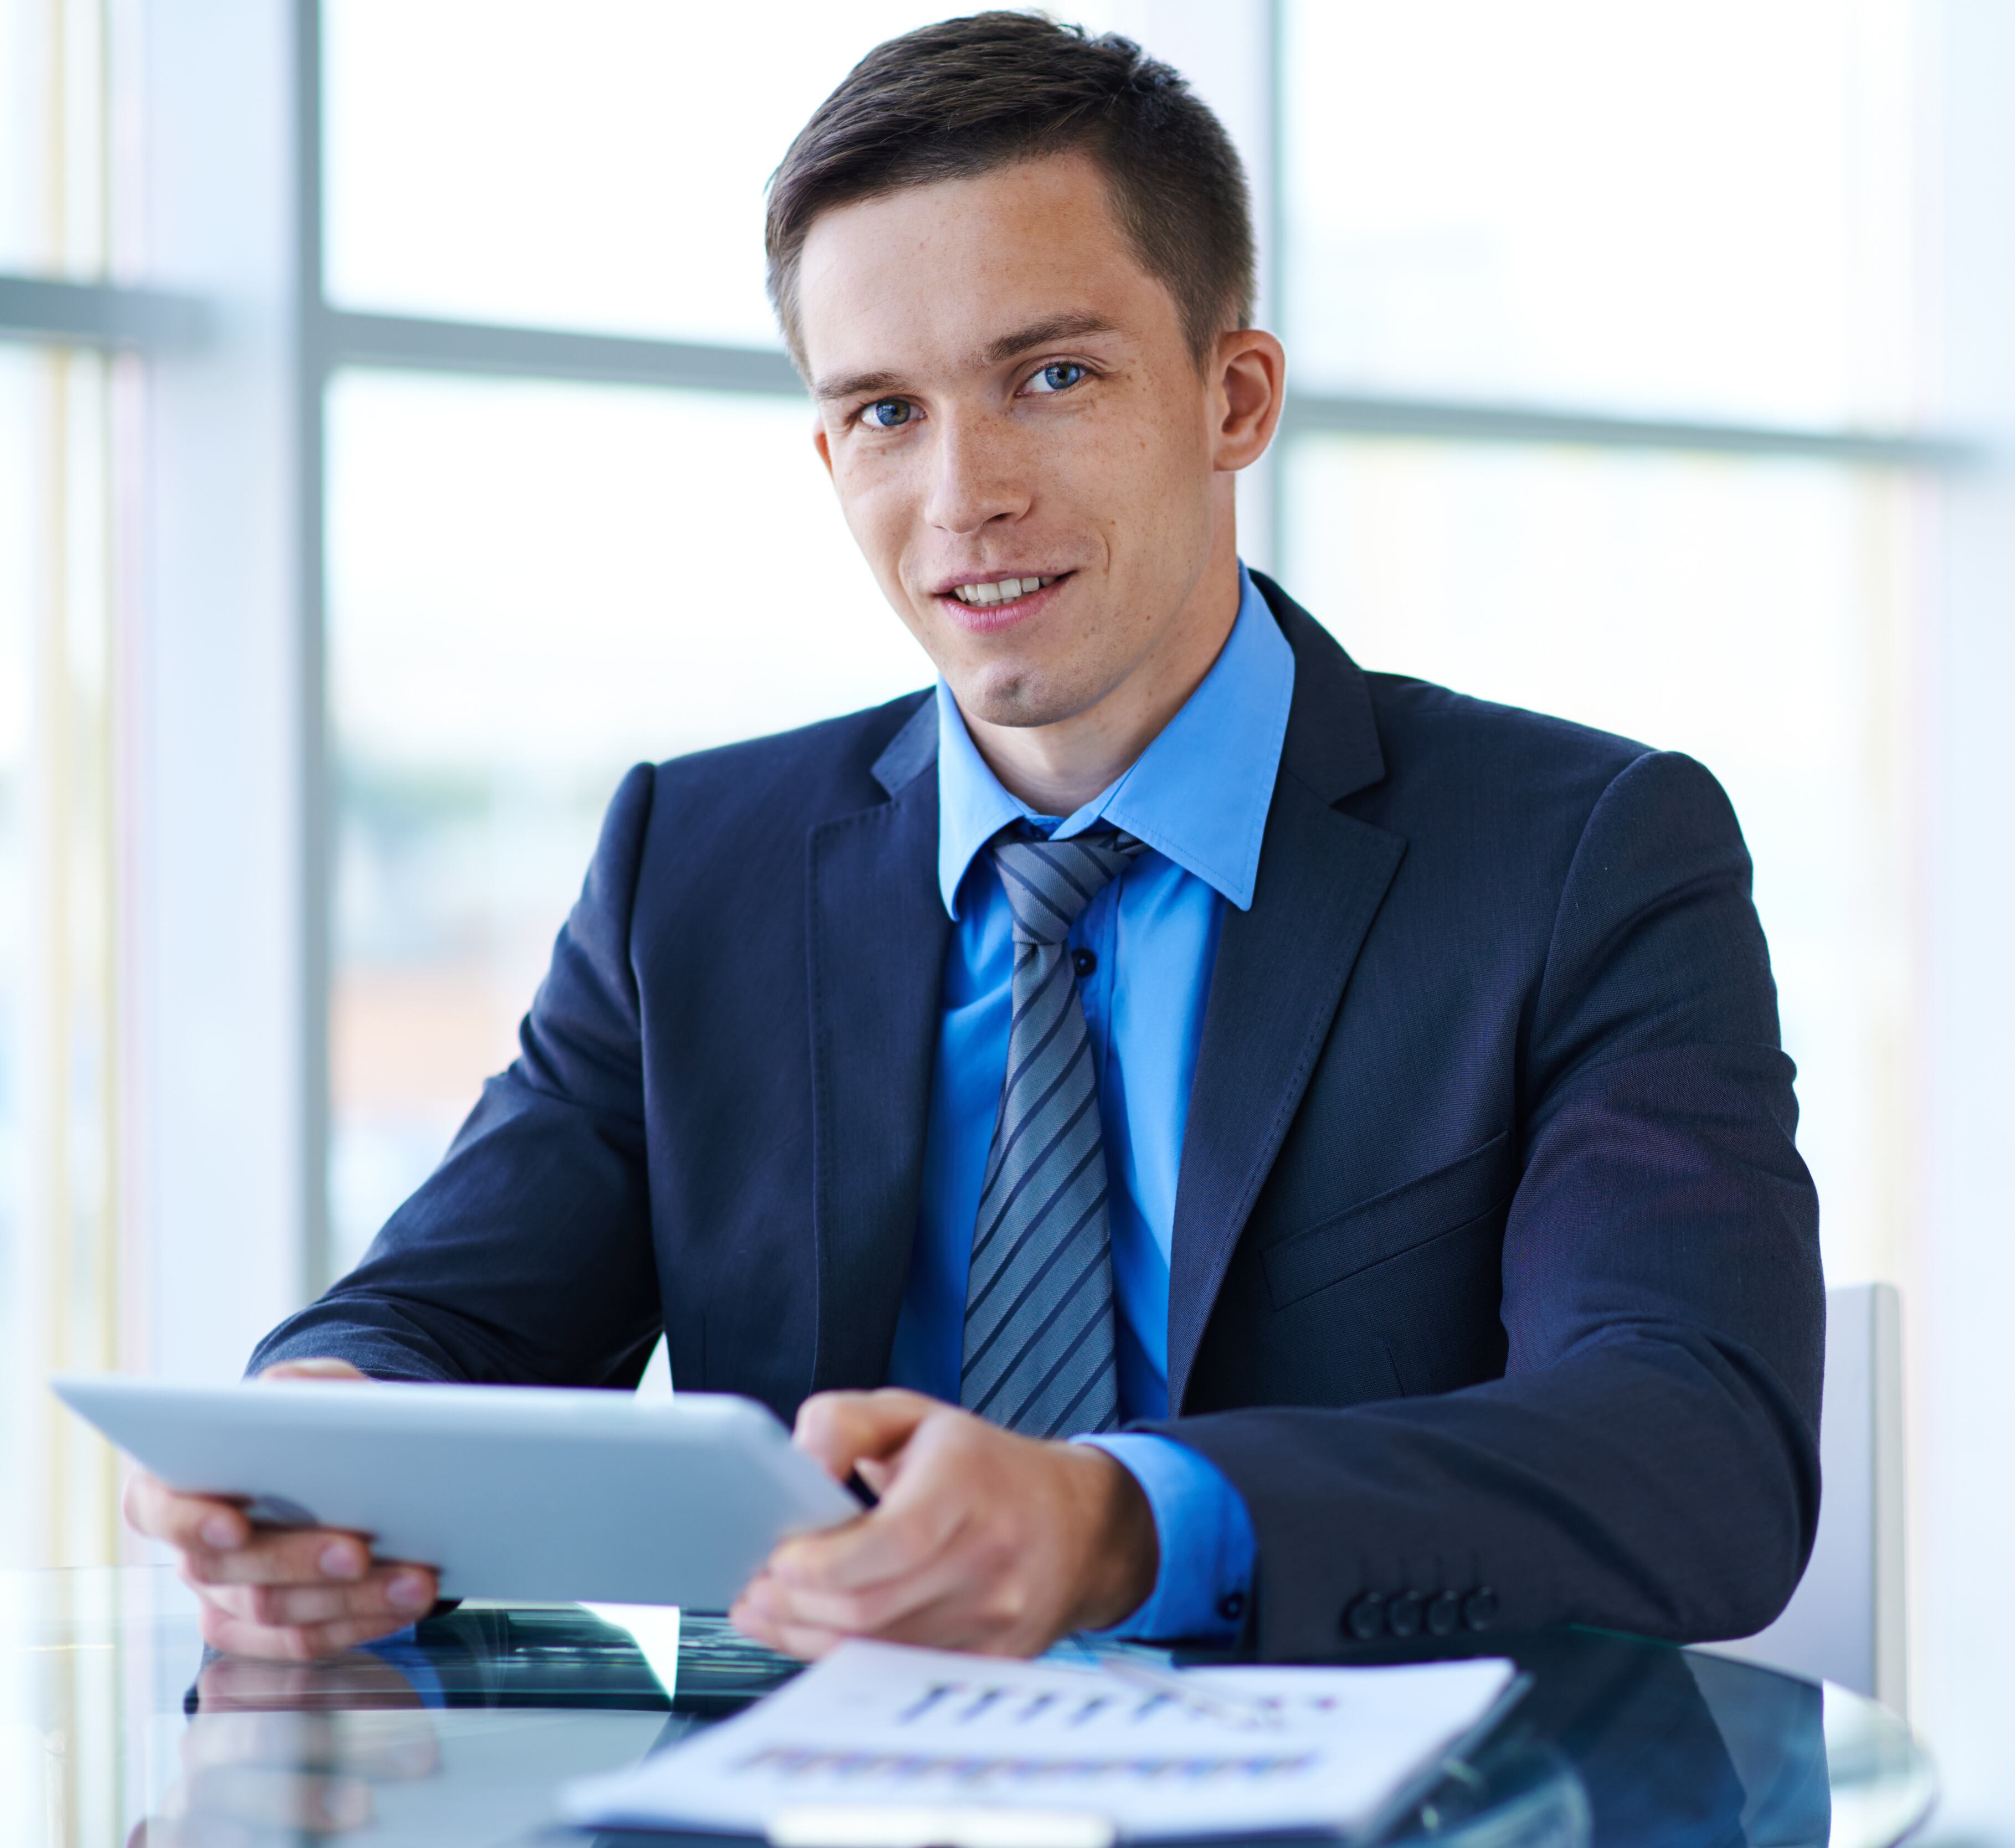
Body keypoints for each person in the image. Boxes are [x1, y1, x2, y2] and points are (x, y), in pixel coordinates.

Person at [122, 12, 1824, 1666]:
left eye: (1052, 375)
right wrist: (312, 1456)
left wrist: (1121, 1520)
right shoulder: (694, 863)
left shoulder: (1585, 853)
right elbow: (438, 1317)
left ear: (1235, 397)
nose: (963, 495)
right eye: (884, 412)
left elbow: (1698, 1447)